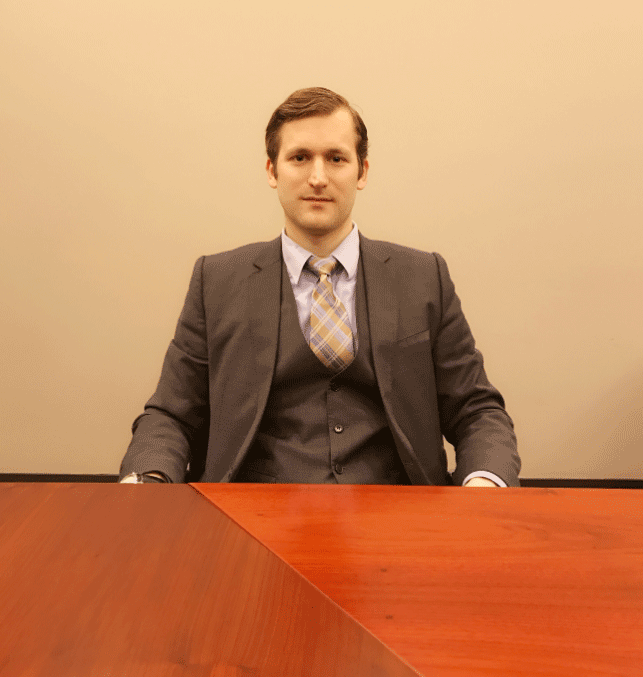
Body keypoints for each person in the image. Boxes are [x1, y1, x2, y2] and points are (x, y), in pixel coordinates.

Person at [119, 87, 520, 487]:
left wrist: (484, 483)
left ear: (362, 172)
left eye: (336, 158)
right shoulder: (217, 281)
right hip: (251, 511)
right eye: (299, 158)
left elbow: (476, 410)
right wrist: (147, 480)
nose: (317, 178)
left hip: (397, 512)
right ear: (272, 171)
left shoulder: (423, 277)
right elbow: (171, 415)